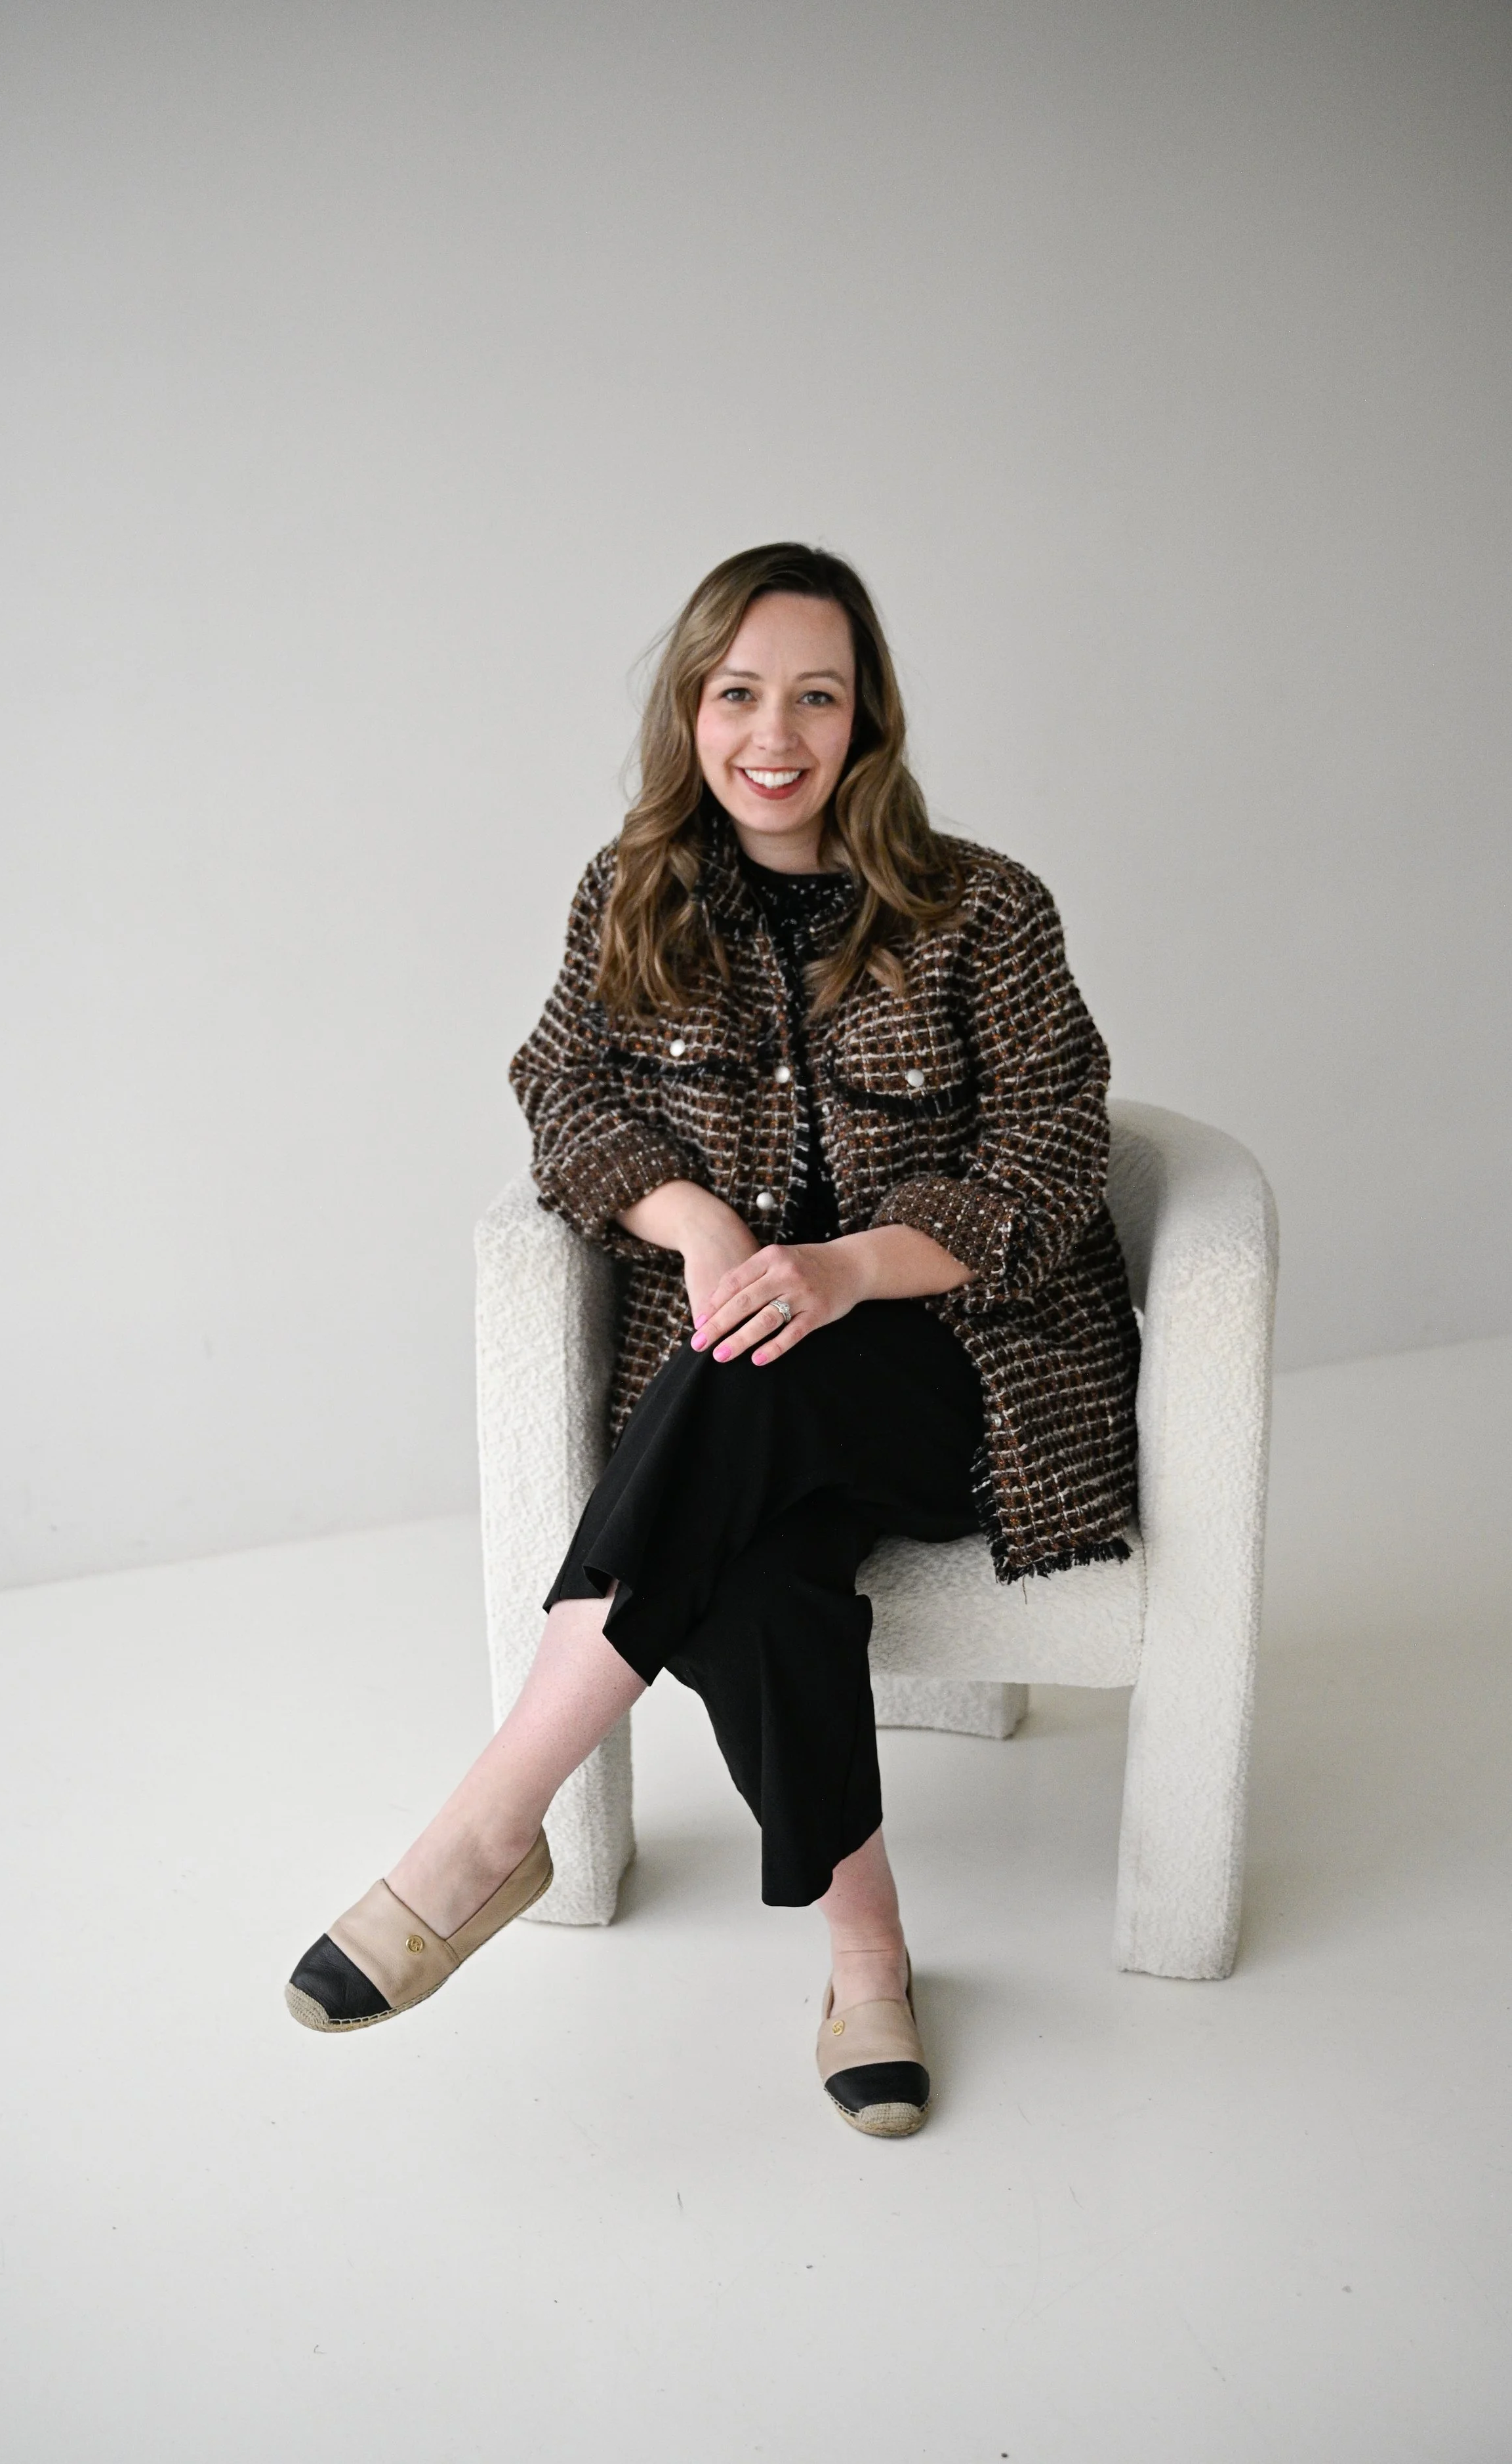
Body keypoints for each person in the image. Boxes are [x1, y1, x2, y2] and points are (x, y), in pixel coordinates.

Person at [286, 543, 1139, 2137]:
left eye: (815, 695)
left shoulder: (983, 909)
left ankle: (487, 1823)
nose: (773, 733)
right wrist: (699, 1226)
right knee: (749, 1569)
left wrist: (844, 1268)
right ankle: (867, 1955)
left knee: (758, 1363)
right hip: (734, 1399)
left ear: (866, 717)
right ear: (689, 709)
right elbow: (563, 1092)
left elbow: (1051, 1152)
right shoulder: (630, 898)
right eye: (738, 693)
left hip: (964, 1375)